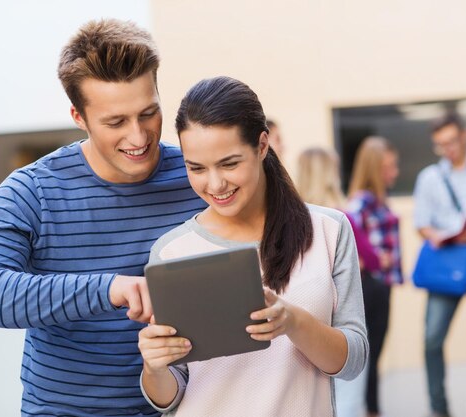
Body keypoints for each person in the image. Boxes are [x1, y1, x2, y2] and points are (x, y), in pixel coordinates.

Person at [0, 19, 206, 417]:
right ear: (78, 116)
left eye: (148, 113)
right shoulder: (32, 190)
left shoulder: (198, 177)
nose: (139, 137)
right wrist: (107, 289)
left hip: (187, 407)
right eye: (115, 122)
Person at [137, 76, 368, 417]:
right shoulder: (172, 251)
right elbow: (170, 394)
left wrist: (292, 321)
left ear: (262, 146)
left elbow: (352, 361)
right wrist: (154, 367)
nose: (215, 184)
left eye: (229, 163)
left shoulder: (328, 230)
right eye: (196, 168)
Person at [297, 147, 381, 417]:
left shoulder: (287, 219)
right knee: (348, 391)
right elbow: (372, 259)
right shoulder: (339, 219)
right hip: (340, 316)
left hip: (304, 315)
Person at [413, 112, 466, 417]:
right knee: (432, 338)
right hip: (447, 264)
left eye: (451, 141)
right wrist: (437, 235)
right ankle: (439, 409)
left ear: (464, 135)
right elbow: (422, 223)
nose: (447, 149)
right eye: (440, 144)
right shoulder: (430, 177)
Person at [346, 136, 402, 417]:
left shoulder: (378, 200)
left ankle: (372, 408)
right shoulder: (362, 202)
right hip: (372, 285)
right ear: (375, 168)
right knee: (370, 353)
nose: (395, 172)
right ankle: (371, 410)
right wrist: (375, 259)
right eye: (390, 167)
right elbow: (349, 235)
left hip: (382, 284)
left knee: (375, 352)